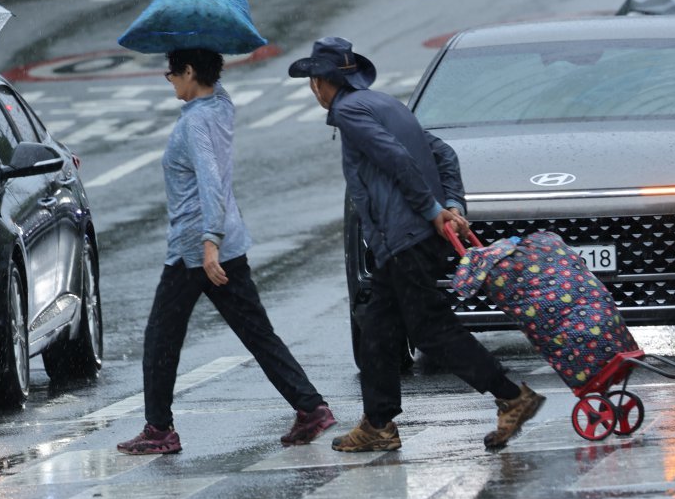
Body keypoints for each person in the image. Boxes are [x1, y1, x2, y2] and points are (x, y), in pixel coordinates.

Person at [288, 36, 544, 452]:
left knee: (430, 329)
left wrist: (432, 210)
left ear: (320, 82)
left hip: (405, 238)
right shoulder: (386, 105)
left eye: (314, 81)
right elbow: (442, 154)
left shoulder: (351, 113)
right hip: (406, 240)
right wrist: (451, 206)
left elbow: (395, 159)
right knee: (378, 328)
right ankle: (378, 423)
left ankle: (512, 397)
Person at [117, 48, 337, 455]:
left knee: (160, 338)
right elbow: (213, 87)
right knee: (257, 333)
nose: (169, 81)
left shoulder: (196, 123)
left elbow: (210, 180)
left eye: (172, 74)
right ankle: (311, 408)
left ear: (188, 72)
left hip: (196, 249)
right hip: (225, 242)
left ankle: (159, 429)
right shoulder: (221, 105)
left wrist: (209, 242)